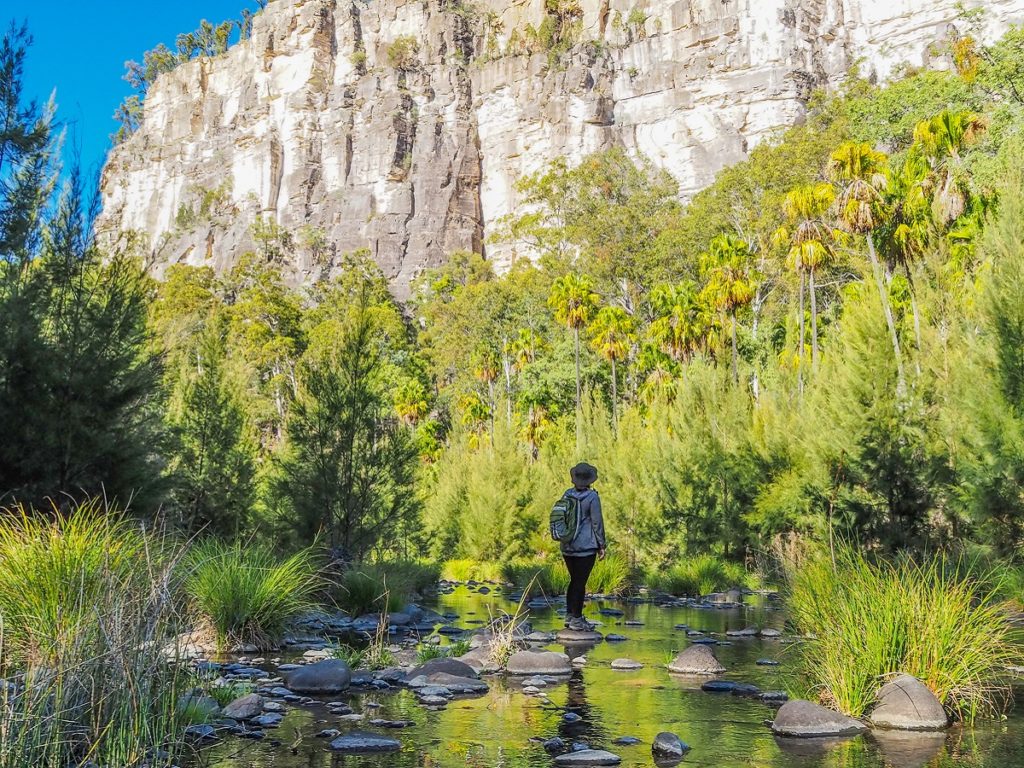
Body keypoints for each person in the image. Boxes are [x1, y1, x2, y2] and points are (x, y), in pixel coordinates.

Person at [561, 462, 606, 631]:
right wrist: (602, 544)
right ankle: (577, 619)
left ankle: (569, 615)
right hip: (585, 548)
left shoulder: (567, 495)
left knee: (574, 581)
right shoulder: (592, 497)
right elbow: (597, 523)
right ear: (589, 480)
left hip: (567, 546)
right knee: (580, 582)